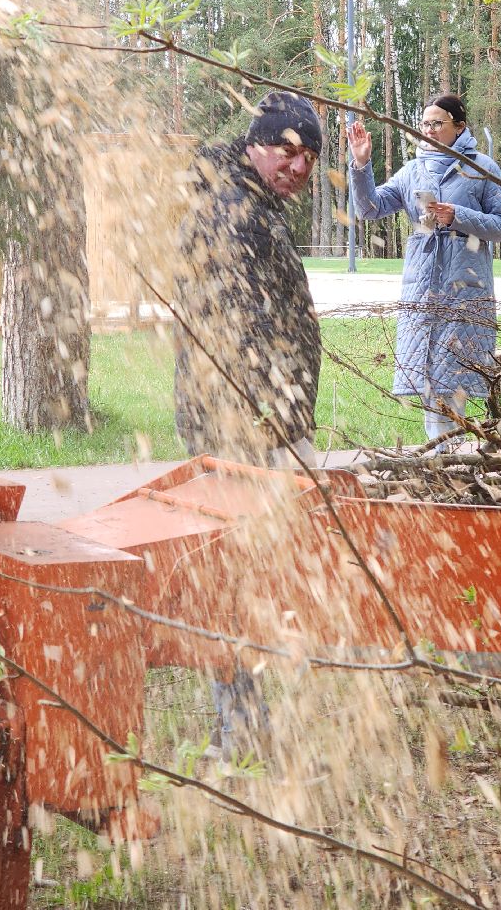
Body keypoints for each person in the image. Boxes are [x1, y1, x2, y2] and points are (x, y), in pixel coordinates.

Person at [172, 90, 324, 756]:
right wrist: (287, 431)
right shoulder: (236, 213)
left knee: (242, 574)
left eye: (310, 157)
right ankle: (241, 734)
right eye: (288, 150)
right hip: (238, 422)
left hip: (246, 417)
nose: (299, 166)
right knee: (238, 576)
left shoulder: (249, 201)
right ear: (258, 144)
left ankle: (242, 727)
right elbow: (250, 337)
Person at [345, 94, 501, 446]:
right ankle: (447, 455)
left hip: (464, 286)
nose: (429, 130)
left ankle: (449, 456)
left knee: (453, 378)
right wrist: (361, 165)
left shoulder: (482, 168)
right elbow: (369, 208)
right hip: (422, 286)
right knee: (427, 377)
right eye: (425, 123)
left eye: (437, 123)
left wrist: (458, 216)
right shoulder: (413, 170)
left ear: (460, 127)